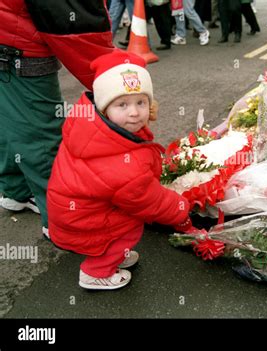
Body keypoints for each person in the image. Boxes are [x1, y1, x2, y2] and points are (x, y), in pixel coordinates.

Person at [47, 50, 198, 290]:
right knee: (129, 228)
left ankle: (114, 253)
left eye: (141, 102)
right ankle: (96, 272)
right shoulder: (122, 163)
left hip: (75, 210)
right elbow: (147, 198)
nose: (134, 112)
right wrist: (180, 208)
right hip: (85, 218)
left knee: (124, 221)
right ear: (105, 108)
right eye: (122, 104)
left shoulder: (95, 130)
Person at [0, 0, 114, 239]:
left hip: (9, 37)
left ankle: (16, 190)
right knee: (42, 137)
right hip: (18, 48)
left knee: (11, 120)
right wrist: (115, 82)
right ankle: (66, 224)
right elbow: (77, 23)